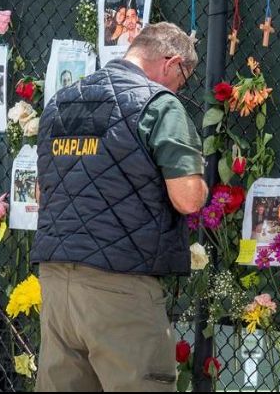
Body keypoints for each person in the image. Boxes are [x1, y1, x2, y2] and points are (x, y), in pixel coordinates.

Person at [32, 22, 207, 392]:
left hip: (56, 284)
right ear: (172, 63)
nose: (179, 88)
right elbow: (188, 198)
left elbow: (41, 195)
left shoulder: (60, 102)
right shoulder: (158, 104)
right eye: (183, 79)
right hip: (122, 285)